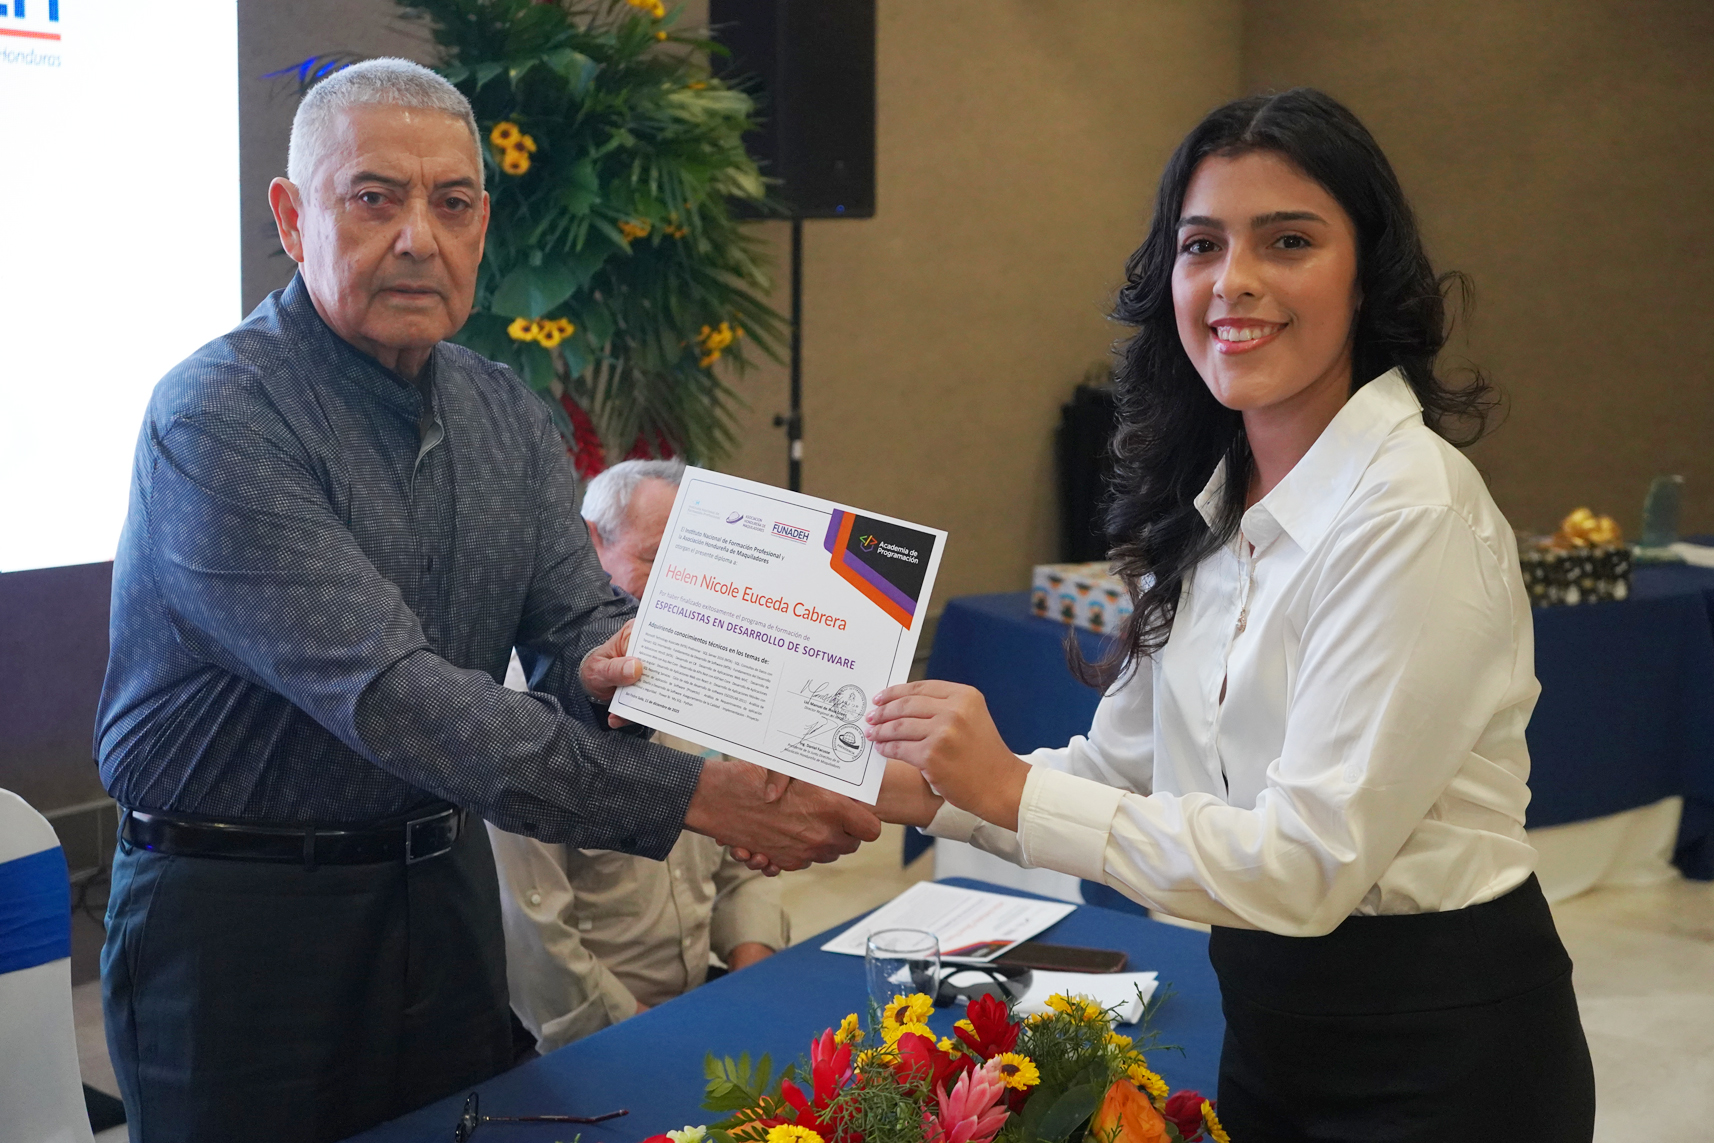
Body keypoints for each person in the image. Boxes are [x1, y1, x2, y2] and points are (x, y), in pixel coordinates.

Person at [95, 58, 877, 1143]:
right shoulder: (218, 418)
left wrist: (632, 674)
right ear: (291, 217)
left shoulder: (505, 411)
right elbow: (395, 696)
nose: (418, 237)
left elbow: (579, 625)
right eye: (375, 198)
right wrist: (701, 795)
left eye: (452, 203)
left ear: (482, 225)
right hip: (244, 922)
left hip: (449, 898)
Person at [870, 89, 1596, 1140]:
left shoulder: (1412, 510)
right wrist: (913, 787)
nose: (1232, 281)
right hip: (1271, 1027)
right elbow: (1124, 775)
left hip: (1443, 1050)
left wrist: (1010, 788)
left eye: (1288, 240)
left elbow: (1306, 866)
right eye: (1200, 245)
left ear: (1368, 274)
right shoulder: (1209, 508)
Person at [487, 459, 788, 1053]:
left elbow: (743, 864)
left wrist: (751, 985)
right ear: (589, 544)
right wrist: (661, 1041)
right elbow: (535, 936)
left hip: (702, 1009)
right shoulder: (522, 709)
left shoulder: (719, 680)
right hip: (585, 1044)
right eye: (657, 558)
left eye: (698, 565)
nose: (683, 586)